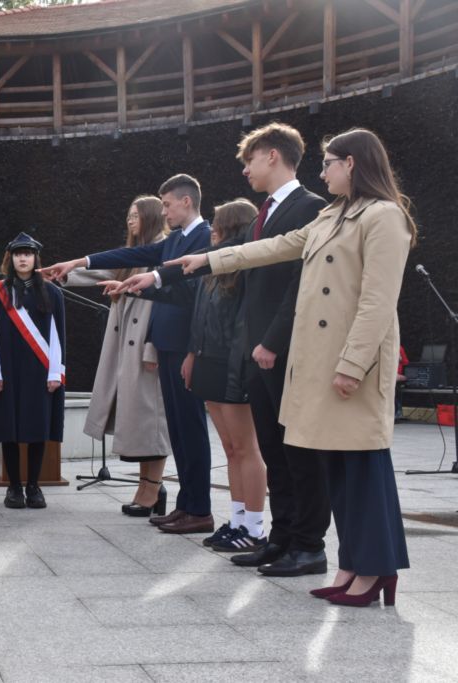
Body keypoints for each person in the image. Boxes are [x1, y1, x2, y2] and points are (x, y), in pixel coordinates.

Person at [167, 128, 413, 606]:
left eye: (329, 164)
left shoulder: (384, 216)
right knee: (337, 469)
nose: (322, 173)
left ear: (353, 164)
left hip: (350, 365)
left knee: (362, 469)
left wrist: (353, 364)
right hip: (318, 363)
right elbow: (270, 248)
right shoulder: (331, 215)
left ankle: (376, 569)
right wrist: (208, 258)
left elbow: (379, 301)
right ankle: (351, 566)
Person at [122, 124, 330, 574]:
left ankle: (309, 546)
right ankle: (281, 537)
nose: (244, 168)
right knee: (275, 451)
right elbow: (238, 250)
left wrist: (271, 341)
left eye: (249, 159)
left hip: (284, 348)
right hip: (258, 349)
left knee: (297, 453)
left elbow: (300, 284)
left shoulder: (311, 207)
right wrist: (162, 275)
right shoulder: (266, 213)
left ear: (272, 156)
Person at [41, 174, 213, 534]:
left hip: (183, 344)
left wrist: (143, 286)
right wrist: (79, 262)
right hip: (167, 342)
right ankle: (186, 505)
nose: (163, 210)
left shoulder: (204, 238)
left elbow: (190, 295)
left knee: (190, 428)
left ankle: (199, 508)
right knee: (179, 432)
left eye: (166, 204)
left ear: (185, 201)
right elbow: (131, 254)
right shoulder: (178, 239)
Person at [114, 199, 268, 549]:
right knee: (230, 448)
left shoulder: (244, 272)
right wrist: (194, 353)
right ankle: (236, 521)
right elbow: (195, 310)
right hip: (207, 358)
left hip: (232, 364)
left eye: (219, 229)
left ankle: (254, 528)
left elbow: (241, 322)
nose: (212, 233)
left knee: (245, 448)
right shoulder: (213, 273)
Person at [63, 196, 171, 517]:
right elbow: (98, 271)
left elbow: (167, 305)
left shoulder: (163, 252)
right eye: (128, 215)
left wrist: (153, 347)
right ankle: (149, 489)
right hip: (129, 350)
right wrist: (61, 274)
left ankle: (152, 490)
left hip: (148, 352)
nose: (130, 220)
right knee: (141, 424)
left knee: (152, 424)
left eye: (135, 215)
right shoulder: (134, 257)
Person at [0, 233, 65, 510]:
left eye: (28, 253)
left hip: (39, 373)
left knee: (38, 429)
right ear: (10, 258)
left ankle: (34, 486)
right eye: (18, 254)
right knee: (10, 429)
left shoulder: (52, 292)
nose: (23, 258)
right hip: (6, 371)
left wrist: (55, 373)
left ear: (36, 258)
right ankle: (14, 487)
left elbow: (56, 336)